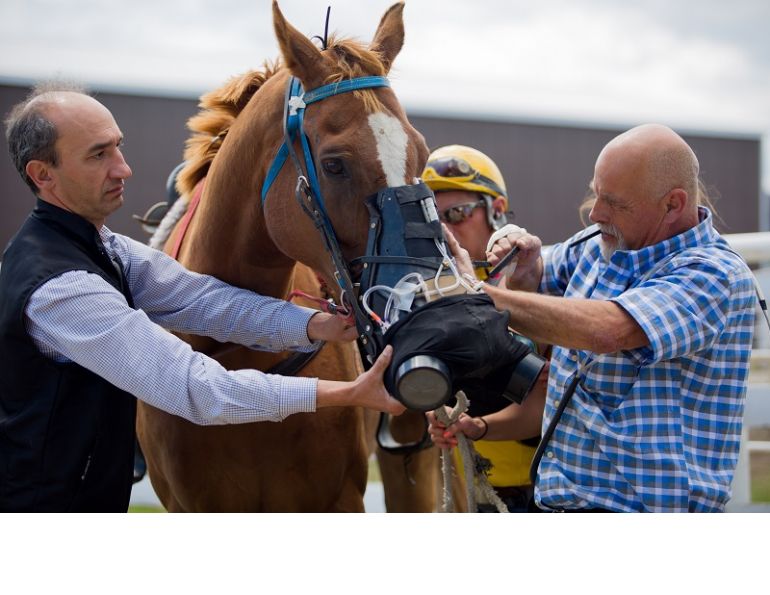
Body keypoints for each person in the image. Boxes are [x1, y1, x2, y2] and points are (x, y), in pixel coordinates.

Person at [0, 84, 403, 512]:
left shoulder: (100, 245)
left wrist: (311, 325)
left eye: (118, 147)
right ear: (43, 175)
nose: (124, 169)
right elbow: (197, 389)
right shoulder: (61, 288)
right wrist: (345, 393)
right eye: (98, 155)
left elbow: (199, 299)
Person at [430, 124, 757, 512]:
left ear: (673, 203)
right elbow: (535, 287)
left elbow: (606, 330)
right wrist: (524, 262)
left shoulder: (716, 274)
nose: (596, 213)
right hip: (561, 504)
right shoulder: (599, 245)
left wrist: (467, 293)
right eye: (596, 193)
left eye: (616, 203)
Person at [422, 145, 546, 512]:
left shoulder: (535, 279)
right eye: (434, 218)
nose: (446, 229)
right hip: (473, 489)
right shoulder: (432, 291)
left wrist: (477, 426)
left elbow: (548, 399)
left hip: (545, 491)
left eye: (457, 213)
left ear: (496, 211)